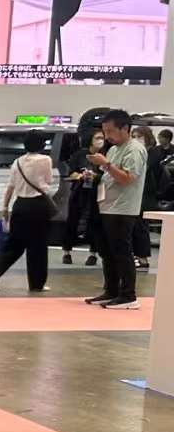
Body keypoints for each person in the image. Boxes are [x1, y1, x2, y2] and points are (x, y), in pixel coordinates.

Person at [84, 109, 147, 310]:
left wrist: (106, 164)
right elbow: (109, 177)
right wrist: (94, 175)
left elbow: (128, 178)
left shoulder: (134, 149)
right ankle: (111, 290)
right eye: (105, 131)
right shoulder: (113, 149)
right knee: (107, 252)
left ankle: (128, 295)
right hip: (108, 206)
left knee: (122, 252)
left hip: (123, 209)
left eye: (110, 131)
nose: (107, 136)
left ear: (125, 128)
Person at [0, 132, 58, 293]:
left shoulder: (17, 162)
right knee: (38, 246)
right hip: (37, 206)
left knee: (14, 244)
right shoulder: (45, 160)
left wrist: (4, 208)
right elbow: (48, 181)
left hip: (19, 205)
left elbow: (10, 187)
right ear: (42, 145)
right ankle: (37, 284)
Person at [61, 130, 104, 266]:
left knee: (95, 222)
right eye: (97, 137)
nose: (100, 140)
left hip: (96, 193)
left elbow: (106, 174)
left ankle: (93, 253)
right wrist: (80, 176)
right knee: (73, 219)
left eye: (102, 138)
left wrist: (95, 176)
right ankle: (67, 252)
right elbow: (70, 172)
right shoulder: (79, 155)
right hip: (79, 192)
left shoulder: (105, 156)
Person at [131, 127, 159, 270]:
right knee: (136, 225)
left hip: (146, 194)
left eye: (139, 136)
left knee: (141, 226)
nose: (136, 139)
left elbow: (143, 169)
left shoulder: (153, 152)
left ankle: (143, 258)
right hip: (137, 193)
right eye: (134, 136)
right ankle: (138, 256)